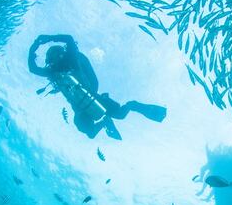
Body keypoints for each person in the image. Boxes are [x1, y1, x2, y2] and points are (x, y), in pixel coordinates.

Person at [28, 34, 166, 140]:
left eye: (54, 55)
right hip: (79, 108)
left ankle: (133, 105)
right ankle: (105, 121)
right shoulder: (52, 73)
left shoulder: (72, 60)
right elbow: (33, 69)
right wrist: (33, 47)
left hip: (94, 96)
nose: (53, 60)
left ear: (61, 54)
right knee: (88, 131)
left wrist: (48, 39)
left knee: (121, 115)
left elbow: (69, 39)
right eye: (50, 58)